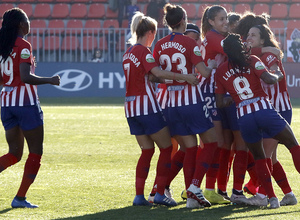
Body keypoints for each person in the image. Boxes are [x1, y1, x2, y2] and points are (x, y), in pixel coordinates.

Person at [123, 11, 199, 207]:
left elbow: (151, 77)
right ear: (150, 32)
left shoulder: (128, 53)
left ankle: (139, 196)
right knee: (166, 148)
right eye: (155, 33)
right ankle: (160, 193)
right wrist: (185, 77)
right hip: (147, 107)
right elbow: (155, 72)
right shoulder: (143, 52)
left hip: (131, 109)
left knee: (147, 151)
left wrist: (167, 78)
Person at [215, 33, 300, 209]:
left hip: (244, 116)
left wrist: (234, 98)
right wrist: (277, 75)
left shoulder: (221, 70)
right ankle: (278, 195)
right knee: (292, 144)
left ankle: (272, 199)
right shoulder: (252, 60)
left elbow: (220, 102)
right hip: (263, 109)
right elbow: (268, 79)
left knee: (260, 157)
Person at [153, 3, 218, 209]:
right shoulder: (190, 43)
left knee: (189, 147)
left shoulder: (159, 44)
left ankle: (189, 198)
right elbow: (205, 73)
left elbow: (153, 76)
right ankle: (194, 188)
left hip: (170, 104)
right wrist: (212, 66)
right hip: (191, 101)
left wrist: (173, 80)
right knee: (211, 142)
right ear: (184, 21)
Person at [0, 8, 60, 208]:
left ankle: (20, 198)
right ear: (21, 24)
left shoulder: (2, 45)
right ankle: (20, 198)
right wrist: (50, 80)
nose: (29, 24)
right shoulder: (24, 45)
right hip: (25, 104)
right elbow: (26, 77)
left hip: (7, 103)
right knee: (35, 152)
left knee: (14, 154)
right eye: (27, 21)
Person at [245, 24, 297, 206]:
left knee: (265, 156)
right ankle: (288, 195)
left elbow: (274, 68)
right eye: (248, 34)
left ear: (262, 40)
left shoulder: (267, 55)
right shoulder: (255, 56)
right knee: (271, 158)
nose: (249, 37)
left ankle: (261, 196)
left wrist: (275, 72)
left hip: (277, 109)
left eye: (253, 35)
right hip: (270, 109)